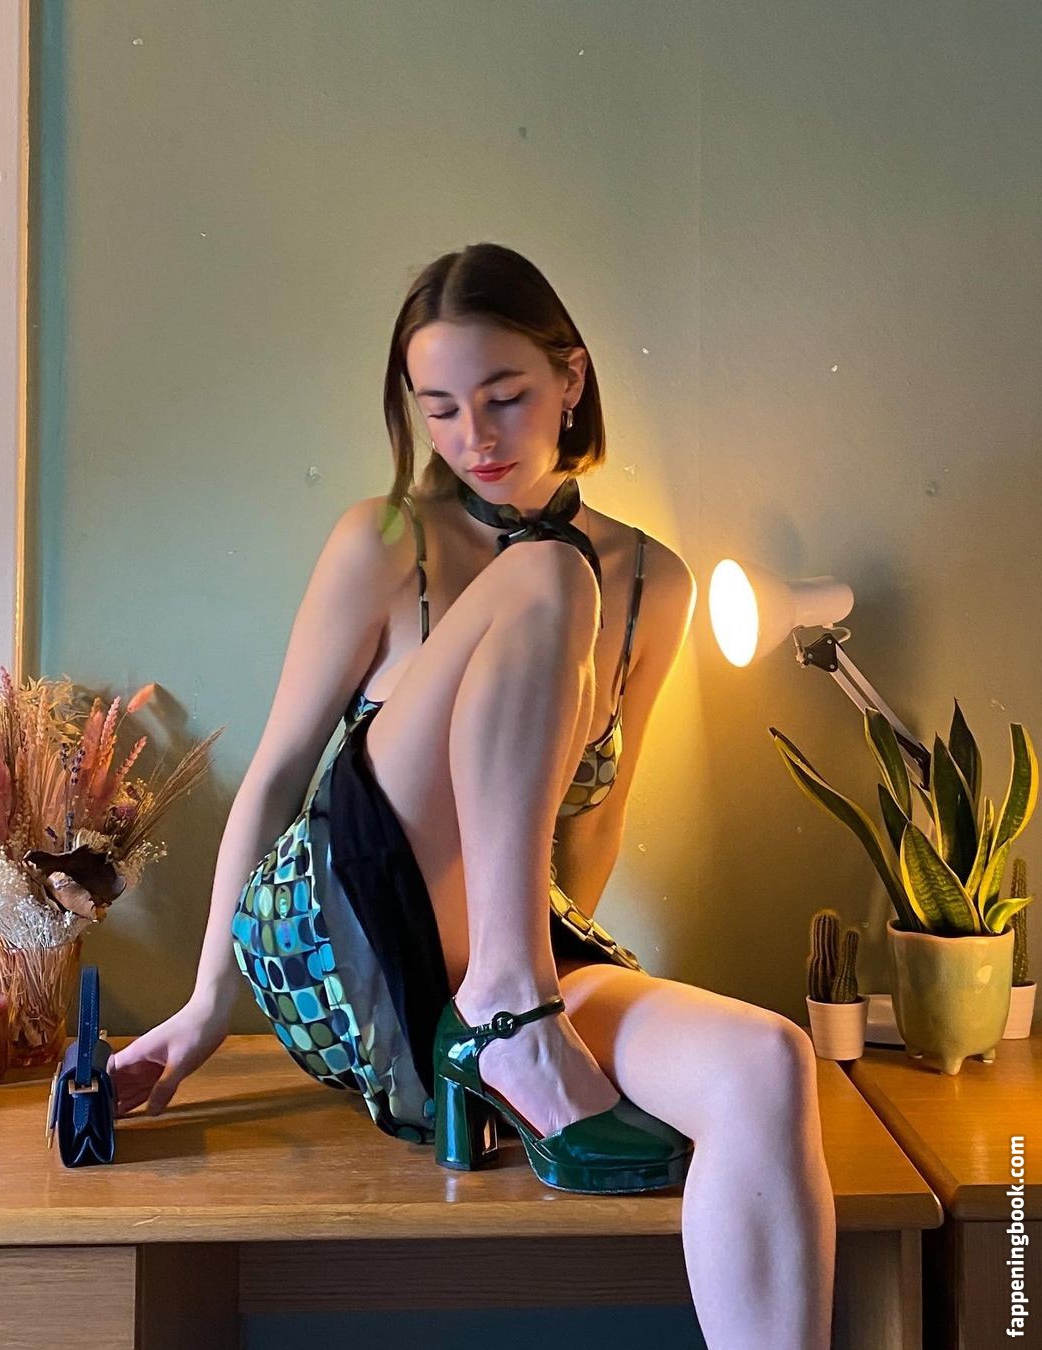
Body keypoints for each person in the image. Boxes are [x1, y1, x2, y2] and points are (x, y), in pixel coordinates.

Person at [109, 242, 835, 1348]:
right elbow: (276, 773)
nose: (475, 440)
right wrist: (209, 1005)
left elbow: (592, 820)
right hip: (341, 926)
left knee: (766, 1064)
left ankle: (512, 1014)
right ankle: (508, 1012)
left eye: (505, 398)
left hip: (512, 963)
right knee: (547, 571)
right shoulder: (386, 540)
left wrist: (565, 999)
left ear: (571, 377)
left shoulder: (656, 582)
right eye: (440, 409)